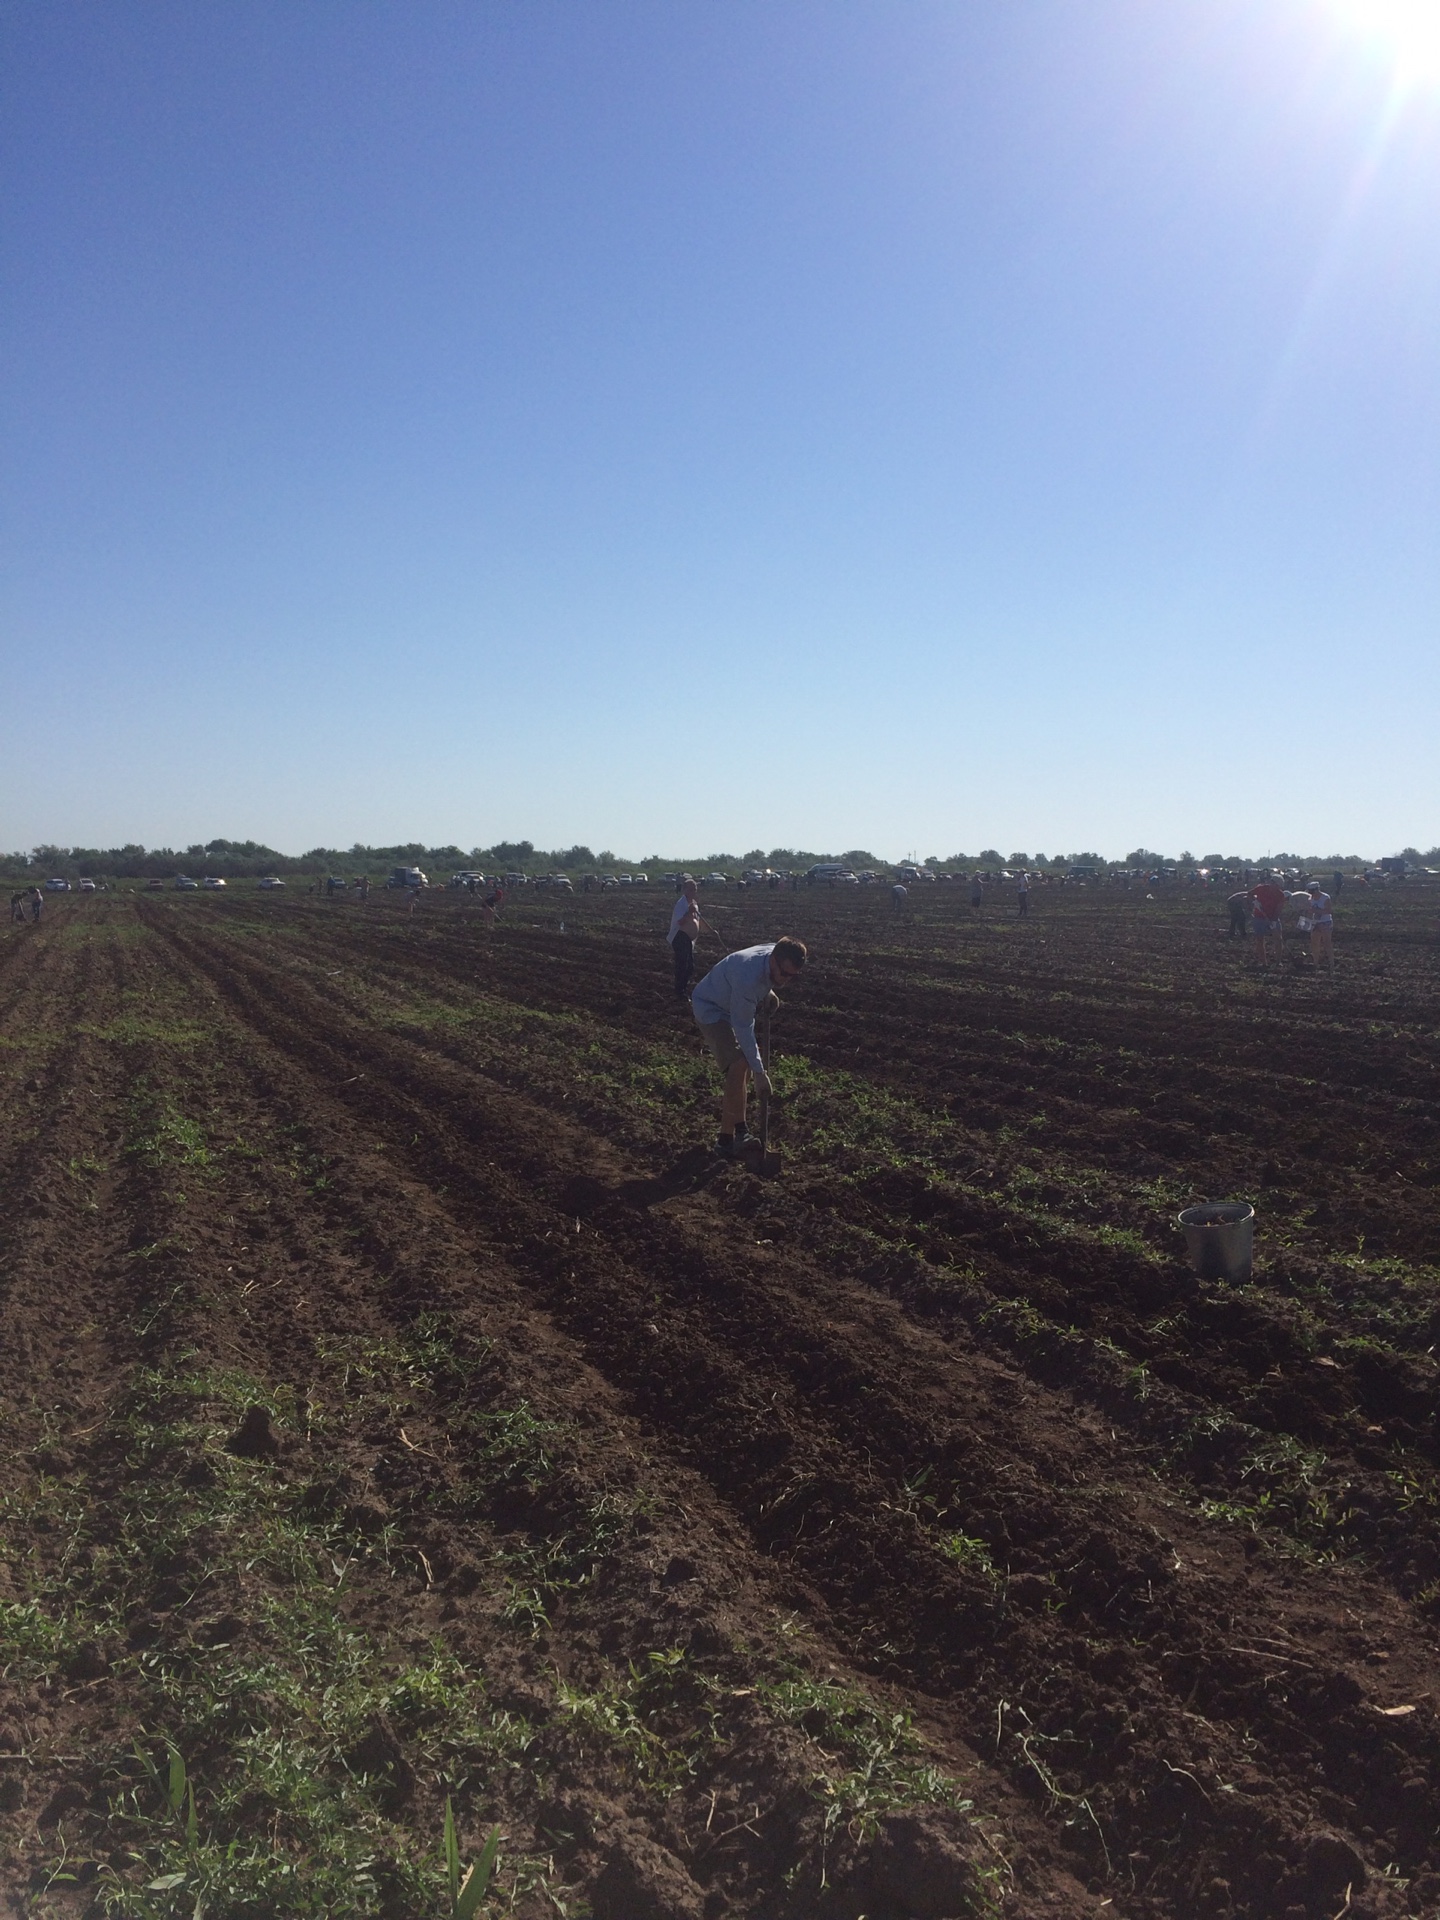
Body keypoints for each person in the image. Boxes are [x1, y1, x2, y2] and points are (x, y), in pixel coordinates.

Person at [692, 937, 807, 1157]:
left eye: (793, 976)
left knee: (740, 1070)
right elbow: (743, 1027)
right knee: (740, 1063)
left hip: (730, 1000)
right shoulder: (748, 979)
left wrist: (770, 991)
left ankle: (725, 1140)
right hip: (711, 1007)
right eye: (784, 974)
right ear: (774, 960)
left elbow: (767, 978)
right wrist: (760, 1073)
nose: (786, 980)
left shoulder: (775, 954)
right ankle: (740, 1132)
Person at [667, 878, 702, 997]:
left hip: (688, 939)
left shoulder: (694, 905)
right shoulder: (681, 904)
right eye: (691, 890)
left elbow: (697, 921)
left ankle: (682, 989)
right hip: (679, 936)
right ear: (685, 891)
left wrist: (712, 931)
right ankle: (679, 991)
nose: (693, 892)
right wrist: (688, 912)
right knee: (682, 965)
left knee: (690, 967)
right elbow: (680, 922)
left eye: (695, 890)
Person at [1248, 877, 1286, 966]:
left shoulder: (1280, 894)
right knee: (1260, 940)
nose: (1277, 888)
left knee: (1278, 939)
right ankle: (1264, 963)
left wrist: (1273, 921)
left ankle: (1278, 961)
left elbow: (1278, 909)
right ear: (1272, 883)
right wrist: (1254, 901)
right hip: (1259, 917)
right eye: (1276, 886)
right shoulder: (1261, 888)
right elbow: (1249, 894)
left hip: (1273, 918)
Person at [1307, 881, 1334, 972]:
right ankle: (1315, 963)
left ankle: (1331, 963)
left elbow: (1329, 911)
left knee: (1327, 943)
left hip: (1325, 922)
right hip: (1315, 922)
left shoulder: (1325, 898)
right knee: (1315, 943)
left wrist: (1316, 911)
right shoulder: (1310, 898)